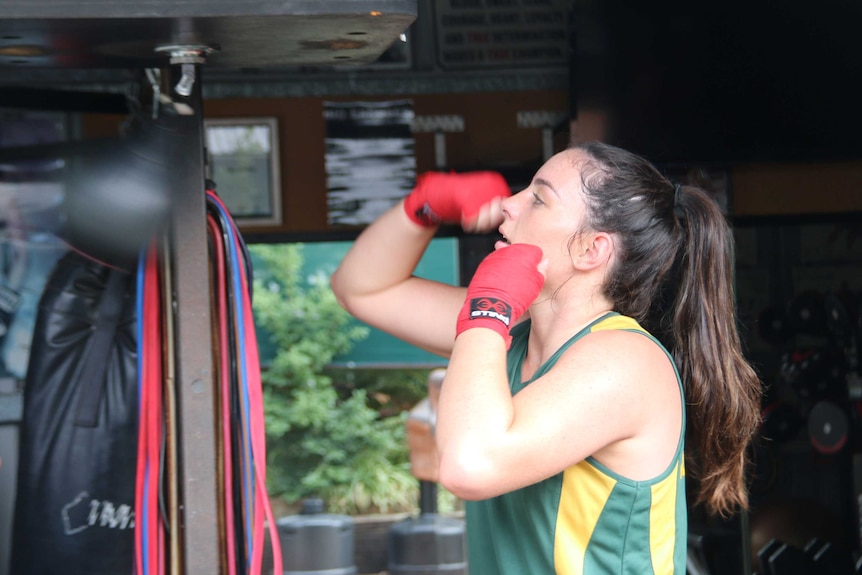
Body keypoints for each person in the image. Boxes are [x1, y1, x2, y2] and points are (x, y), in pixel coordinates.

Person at [330, 140, 762, 574]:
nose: (509, 205)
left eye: (538, 198)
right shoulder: (513, 338)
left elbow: (470, 466)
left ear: (591, 250)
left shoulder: (625, 362)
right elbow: (362, 289)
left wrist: (488, 307)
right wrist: (421, 208)